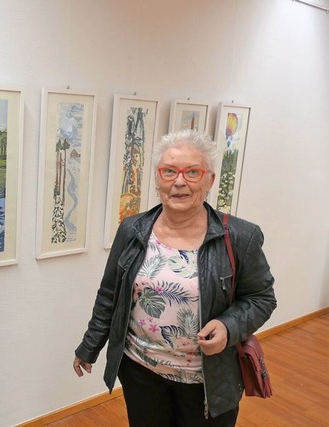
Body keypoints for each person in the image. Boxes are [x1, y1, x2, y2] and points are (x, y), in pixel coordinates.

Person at [73, 129, 276, 426]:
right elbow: (110, 293)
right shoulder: (132, 230)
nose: (179, 181)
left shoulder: (240, 237)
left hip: (206, 380)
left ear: (210, 180)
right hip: (140, 371)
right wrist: (90, 346)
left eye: (192, 172)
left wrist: (228, 325)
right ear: (157, 180)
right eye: (169, 171)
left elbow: (262, 298)